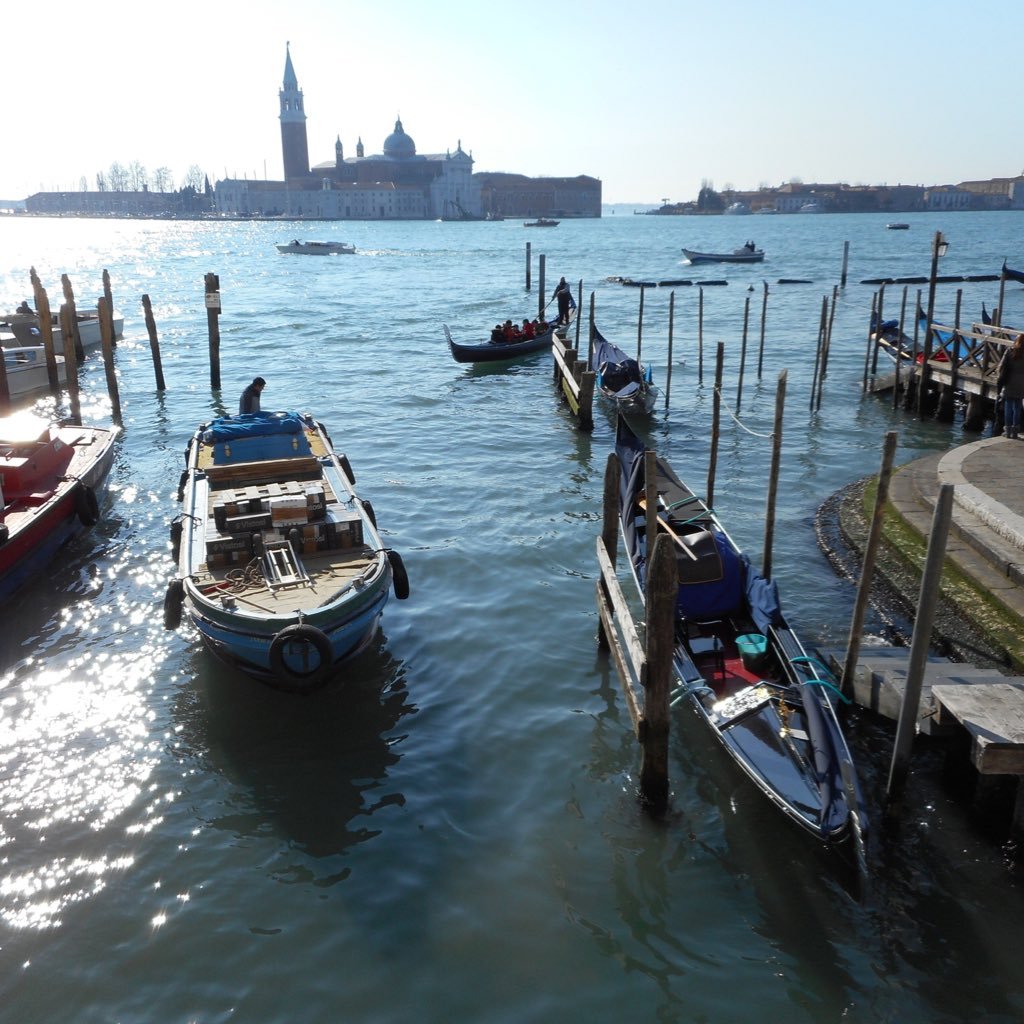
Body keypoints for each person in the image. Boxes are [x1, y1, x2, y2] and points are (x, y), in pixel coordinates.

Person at [997, 335, 1024, 437]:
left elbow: (1002, 365)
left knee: (1008, 406)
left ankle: (1008, 431)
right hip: (1021, 383)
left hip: (1009, 381)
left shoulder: (1010, 351)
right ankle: (1015, 431)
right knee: (1017, 406)